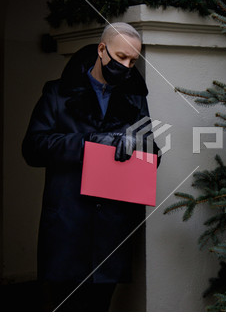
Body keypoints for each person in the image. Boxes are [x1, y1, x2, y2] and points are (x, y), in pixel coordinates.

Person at [22, 22, 161, 311]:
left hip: (111, 228)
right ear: (102, 49)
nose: (126, 66)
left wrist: (136, 145)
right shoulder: (57, 93)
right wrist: (89, 143)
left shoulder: (135, 98)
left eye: (133, 61)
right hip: (67, 225)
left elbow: (154, 154)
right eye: (121, 57)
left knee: (100, 311)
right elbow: (33, 148)